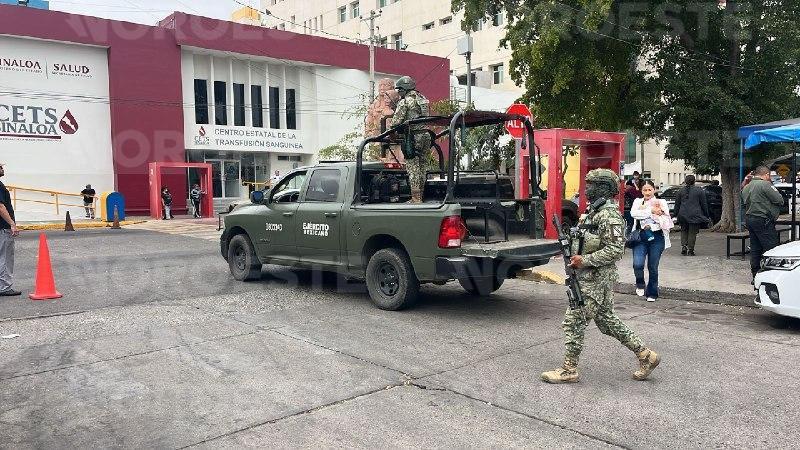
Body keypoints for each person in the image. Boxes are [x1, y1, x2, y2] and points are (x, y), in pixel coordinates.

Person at [541, 169, 660, 384]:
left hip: (596, 278)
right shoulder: (594, 212)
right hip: (590, 276)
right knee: (606, 321)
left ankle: (569, 370)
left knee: (573, 321)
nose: (587, 189)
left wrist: (584, 261)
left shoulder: (609, 215)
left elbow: (616, 250)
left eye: (591, 185)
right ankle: (646, 355)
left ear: (604, 188)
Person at [390, 76, 431, 202]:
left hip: (413, 137)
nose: (399, 93)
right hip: (426, 135)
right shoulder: (422, 98)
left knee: (412, 167)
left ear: (403, 89)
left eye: (399, 90)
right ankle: (421, 196)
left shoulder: (405, 101)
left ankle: (416, 199)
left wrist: (392, 132)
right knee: (423, 166)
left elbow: (396, 121)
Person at [630, 181, 673, 302]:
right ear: (641, 191)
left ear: (654, 190)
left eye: (650, 190)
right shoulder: (637, 201)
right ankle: (640, 283)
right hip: (640, 236)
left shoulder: (661, 202)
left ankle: (652, 292)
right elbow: (634, 214)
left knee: (652, 266)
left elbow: (664, 217)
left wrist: (650, 218)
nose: (647, 192)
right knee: (637, 264)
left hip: (656, 237)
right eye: (645, 190)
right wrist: (651, 211)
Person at [742, 165, 785, 280]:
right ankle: (770, 275)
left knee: (755, 248)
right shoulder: (765, 185)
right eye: (769, 176)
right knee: (772, 248)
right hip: (763, 219)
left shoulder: (747, 186)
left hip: (750, 219)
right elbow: (779, 199)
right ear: (766, 175)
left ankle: (755, 275)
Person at [673, 175, 709, 256]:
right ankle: (691, 250)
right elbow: (704, 204)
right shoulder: (699, 191)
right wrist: (706, 214)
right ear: (694, 181)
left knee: (684, 230)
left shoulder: (680, 191)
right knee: (692, 232)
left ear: (685, 181)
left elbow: (677, 205)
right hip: (695, 215)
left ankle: (684, 246)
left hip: (682, 214)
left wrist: (675, 215)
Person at [0, 163, 20, 296]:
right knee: (6, 258)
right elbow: (1, 207)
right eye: (0, 167)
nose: (3, 169)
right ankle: (5, 287)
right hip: (3, 228)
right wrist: (12, 224)